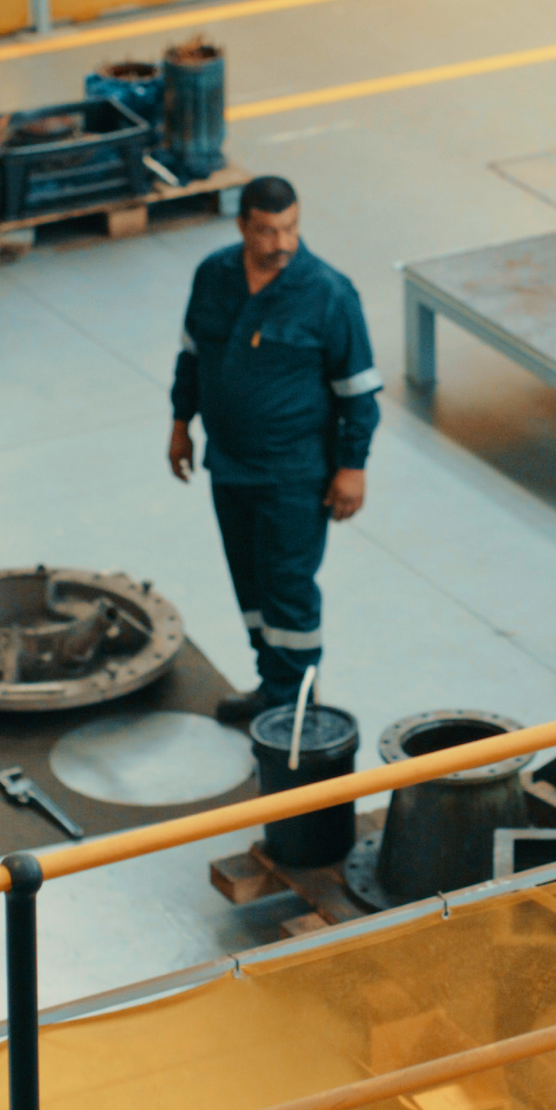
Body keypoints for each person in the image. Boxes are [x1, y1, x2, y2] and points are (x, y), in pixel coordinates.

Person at [167, 176, 380, 725]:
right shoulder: (214, 276)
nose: (281, 242)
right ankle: (273, 686)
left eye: (290, 228)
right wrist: (180, 422)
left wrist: (351, 468)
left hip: (294, 474)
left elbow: (358, 391)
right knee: (252, 583)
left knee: (287, 588)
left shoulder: (328, 293)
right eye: (267, 231)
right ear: (242, 227)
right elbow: (192, 354)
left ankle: (296, 708)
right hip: (229, 463)